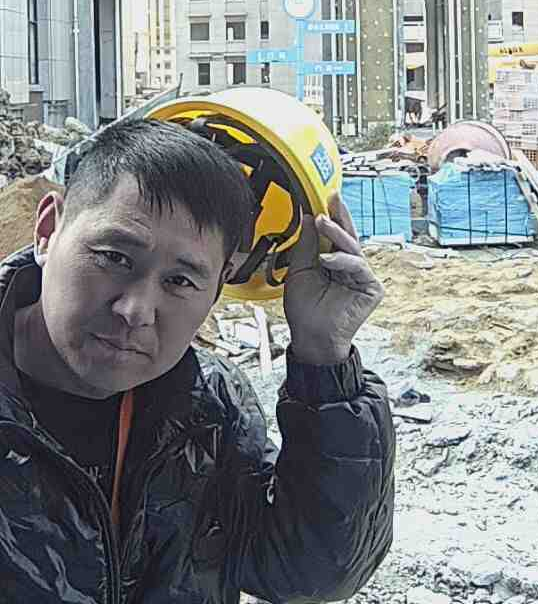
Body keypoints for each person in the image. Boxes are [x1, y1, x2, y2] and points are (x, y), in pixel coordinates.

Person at [0, 120, 395, 603]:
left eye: (180, 282)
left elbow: (309, 572)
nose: (136, 311)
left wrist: (324, 357)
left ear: (217, 287)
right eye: (114, 257)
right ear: (48, 231)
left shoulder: (207, 406)